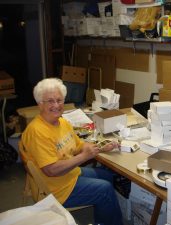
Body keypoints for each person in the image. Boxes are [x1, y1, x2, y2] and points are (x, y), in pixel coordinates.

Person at [20, 78, 123, 225]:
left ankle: (103, 215)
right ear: (39, 103)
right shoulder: (37, 131)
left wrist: (99, 148)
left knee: (107, 176)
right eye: (50, 101)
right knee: (105, 190)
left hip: (68, 174)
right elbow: (51, 170)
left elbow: (78, 144)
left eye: (59, 100)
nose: (56, 105)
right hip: (54, 188)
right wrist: (83, 157)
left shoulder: (62, 122)